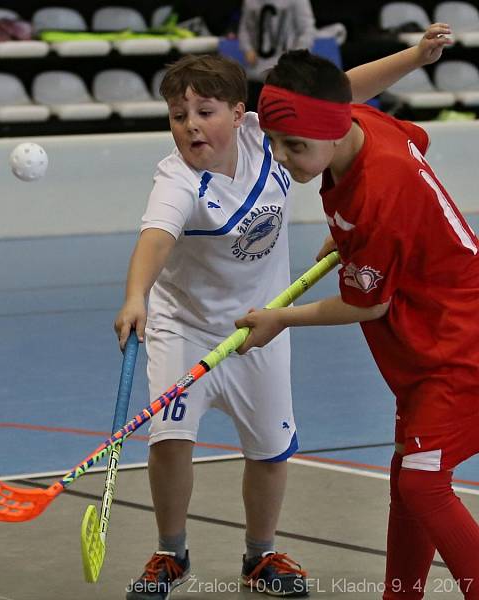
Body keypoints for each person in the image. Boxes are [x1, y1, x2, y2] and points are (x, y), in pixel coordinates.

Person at [114, 24, 453, 600]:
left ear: (239, 112)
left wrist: (416, 56)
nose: (190, 124)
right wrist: (136, 295)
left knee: (270, 447)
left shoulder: (263, 135)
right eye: (177, 115)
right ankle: (170, 552)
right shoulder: (176, 180)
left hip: (263, 320)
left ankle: (260, 554)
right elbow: (156, 236)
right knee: (169, 436)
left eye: (204, 110)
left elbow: (340, 93)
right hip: (185, 324)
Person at [234, 32, 479, 600]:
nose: (282, 157)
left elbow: (369, 302)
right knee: (409, 477)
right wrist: (346, 235)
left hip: (458, 344)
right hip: (429, 343)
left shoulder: (378, 193)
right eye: (274, 142)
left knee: (423, 483)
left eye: (293, 145)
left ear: (330, 131)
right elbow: (360, 99)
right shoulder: (362, 130)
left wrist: (282, 319)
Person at [238, 0, 317, 111]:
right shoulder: (250, 2)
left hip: (287, 72)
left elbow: (307, 30)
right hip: (256, 71)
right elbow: (245, 28)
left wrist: (295, 57)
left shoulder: (298, 1)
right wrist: (248, 49)